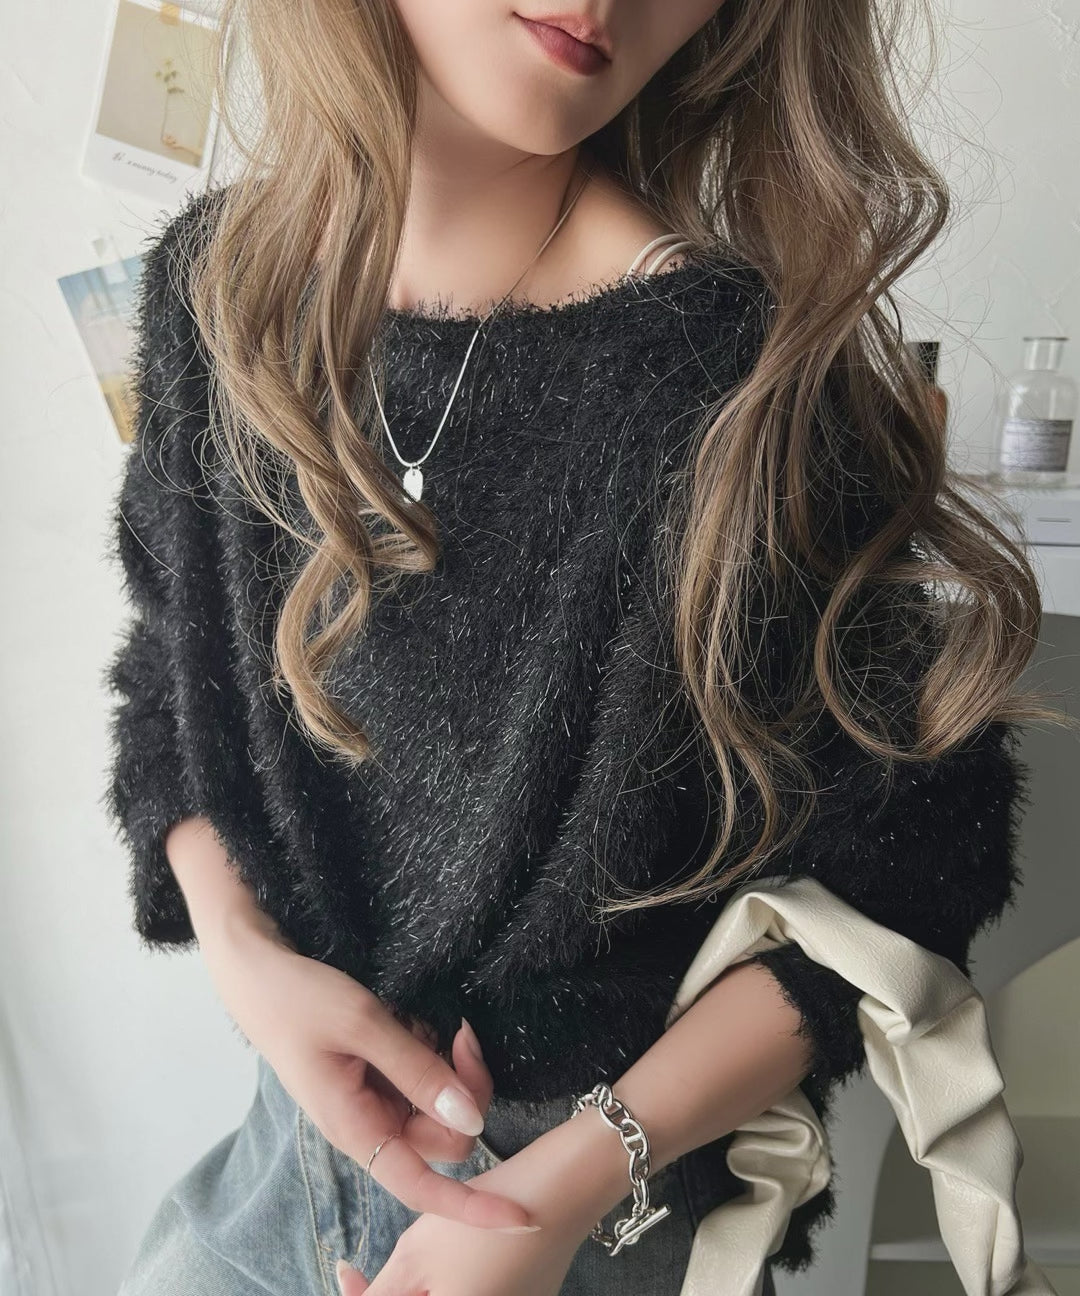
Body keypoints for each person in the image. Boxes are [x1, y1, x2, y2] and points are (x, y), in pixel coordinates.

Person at [103, 1, 1062, 1293]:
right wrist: (246, 958)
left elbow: (911, 870)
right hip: (281, 1172)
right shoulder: (217, 290)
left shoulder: (743, 382)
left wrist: (560, 1187)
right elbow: (173, 677)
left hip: (590, 1220)